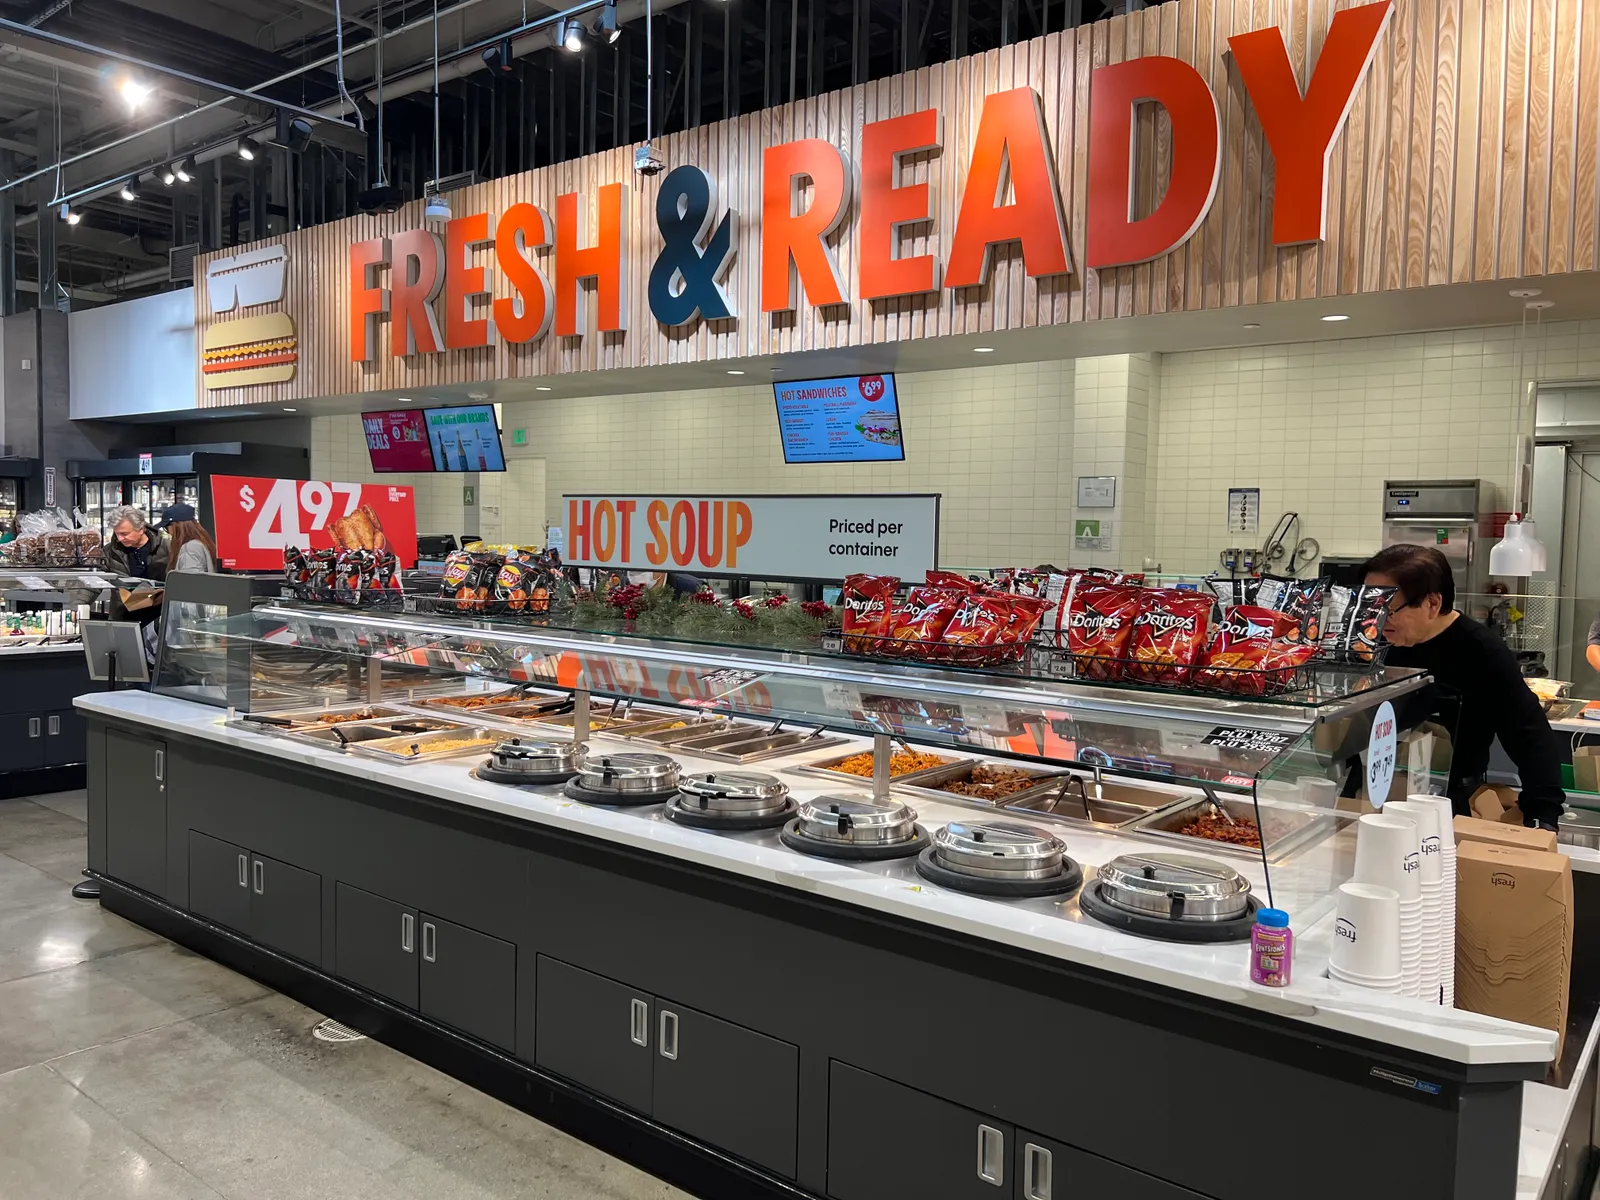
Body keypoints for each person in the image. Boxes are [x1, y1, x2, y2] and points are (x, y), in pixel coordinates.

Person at [1364, 543, 1565, 830]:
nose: (1377, 620)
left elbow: (1529, 735)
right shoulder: (1374, 641)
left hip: (1447, 805)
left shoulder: (1481, 651)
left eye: (1389, 609)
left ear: (1432, 603)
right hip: (1372, 792)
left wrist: (1543, 817)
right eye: (1371, 607)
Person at [102, 505, 170, 623]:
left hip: (161, 619)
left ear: (141, 529)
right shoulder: (110, 551)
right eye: (117, 534)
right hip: (124, 619)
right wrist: (77, 606)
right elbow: (94, 580)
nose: (120, 538)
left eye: (125, 533)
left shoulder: (167, 548)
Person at [160, 504, 219, 574]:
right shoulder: (201, 543)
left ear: (175, 526)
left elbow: (190, 583)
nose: (168, 532)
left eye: (166, 528)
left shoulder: (189, 549)